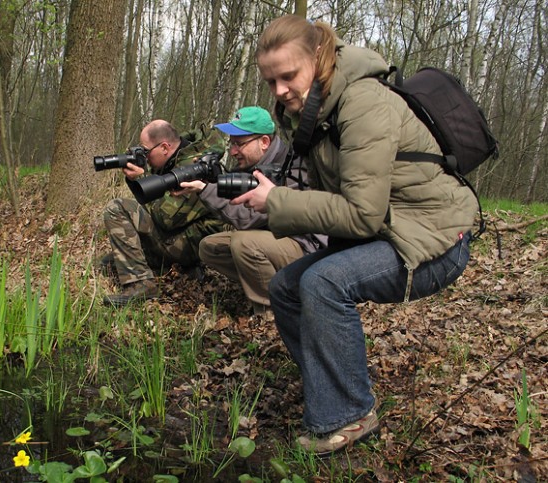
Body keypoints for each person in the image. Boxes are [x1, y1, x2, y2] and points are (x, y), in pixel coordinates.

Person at [232, 15, 478, 455]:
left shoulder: (363, 101)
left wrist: (277, 203)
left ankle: (349, 413)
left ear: (319, 59)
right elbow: (336, 203)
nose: (280, 90)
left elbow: (363, 215)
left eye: (288, 76)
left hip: (435, 236)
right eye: (270, 82)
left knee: (323, 283)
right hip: (391, 227)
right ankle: (329, 387)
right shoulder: (314, 109)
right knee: (285, 286)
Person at [176, 106, 326, 321]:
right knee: (210, 247)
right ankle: (281, 289)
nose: (233, 151)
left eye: (239, 143)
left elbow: (247, 218)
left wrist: (205, 190)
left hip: (307, 249)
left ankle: (273, 313)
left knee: (244, 243)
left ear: (264, 142)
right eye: (231, 143)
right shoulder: (254, 165)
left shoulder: (292, 166)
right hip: (278, 240)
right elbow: (233, 201)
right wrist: (204, 179)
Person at [101, 120, 227, 307]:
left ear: (165, 148)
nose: (144, 156)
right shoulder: (177, 157)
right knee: (108, 263)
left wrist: (142, 178)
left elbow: (165, 219)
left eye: (146, 151)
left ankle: (140, 285)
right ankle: (183, 270)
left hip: (195, 244)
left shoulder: (194, 167)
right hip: (181, 235)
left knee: (117, 208)